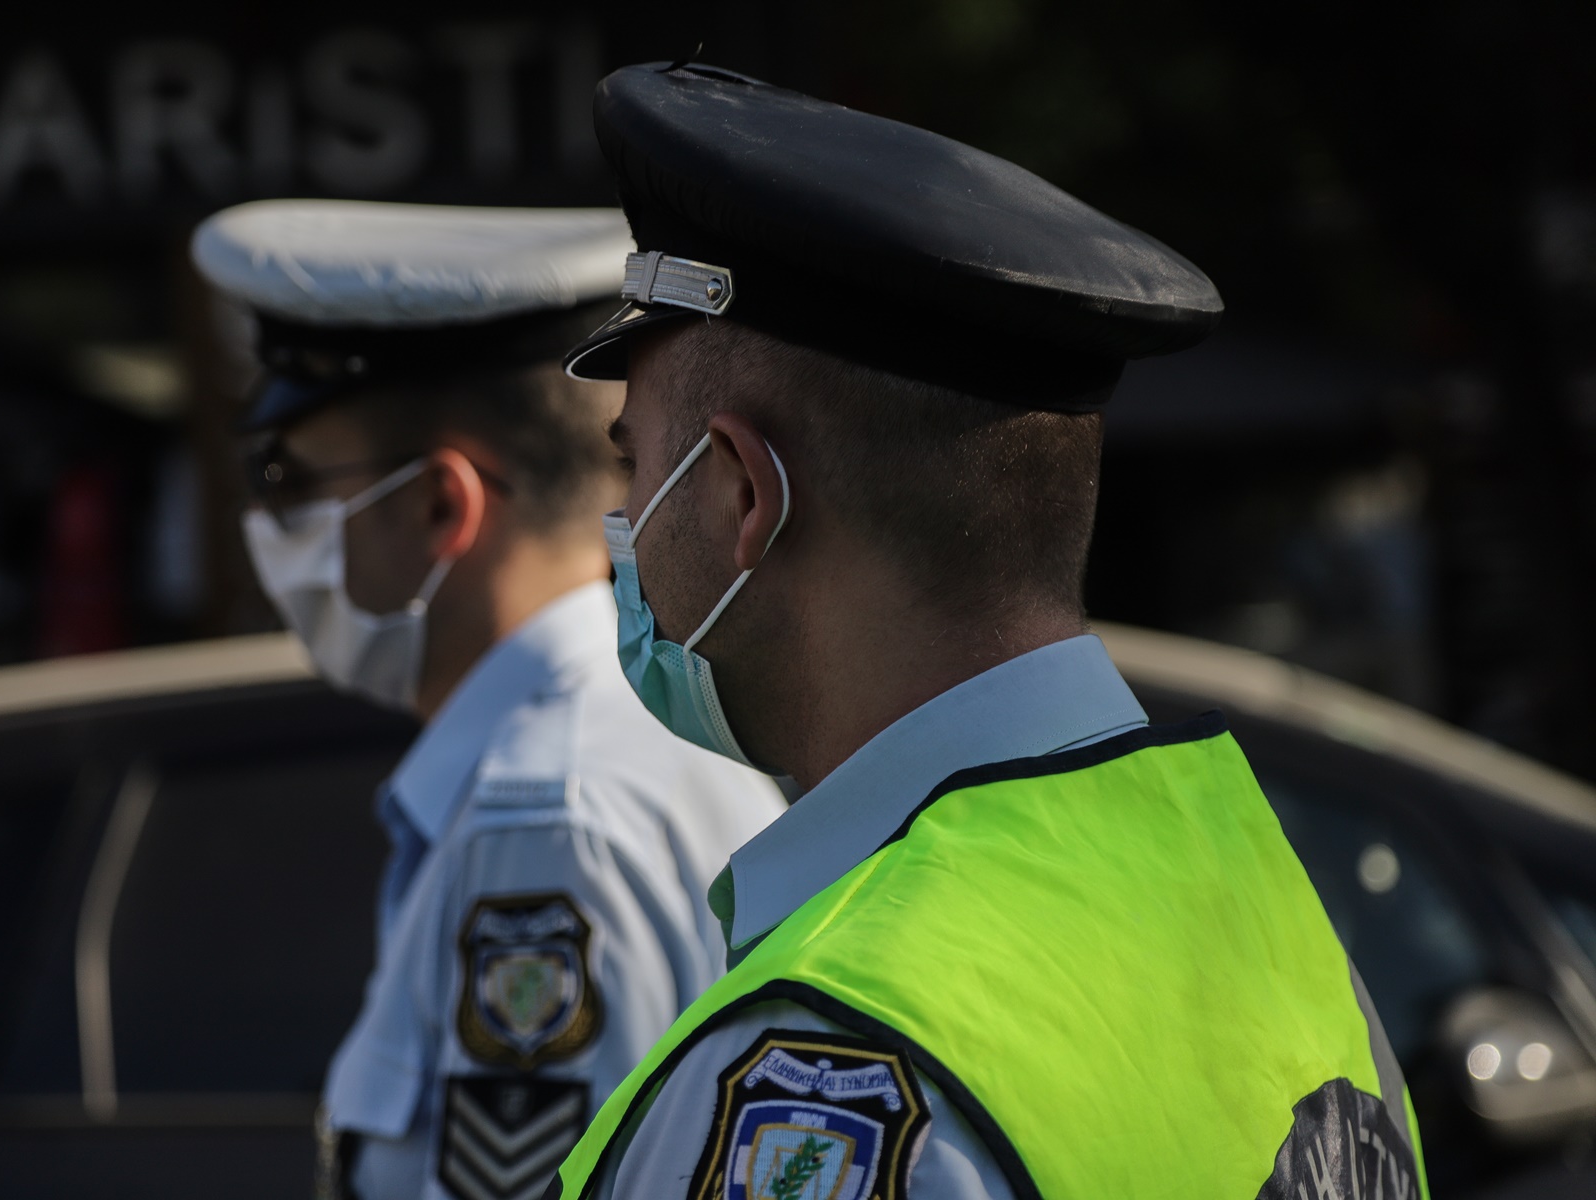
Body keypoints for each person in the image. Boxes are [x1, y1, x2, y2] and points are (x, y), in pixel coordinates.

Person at [545, 65, 1431, 1200]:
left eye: (632, 461)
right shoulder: (1257, 893)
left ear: (740, 496)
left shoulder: (833, 1075)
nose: (618, 522)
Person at [190, 200, 786, 1200]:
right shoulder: (645, 737)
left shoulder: (547, 814)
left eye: (289, 476)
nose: (266, 522)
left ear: (441, 506)